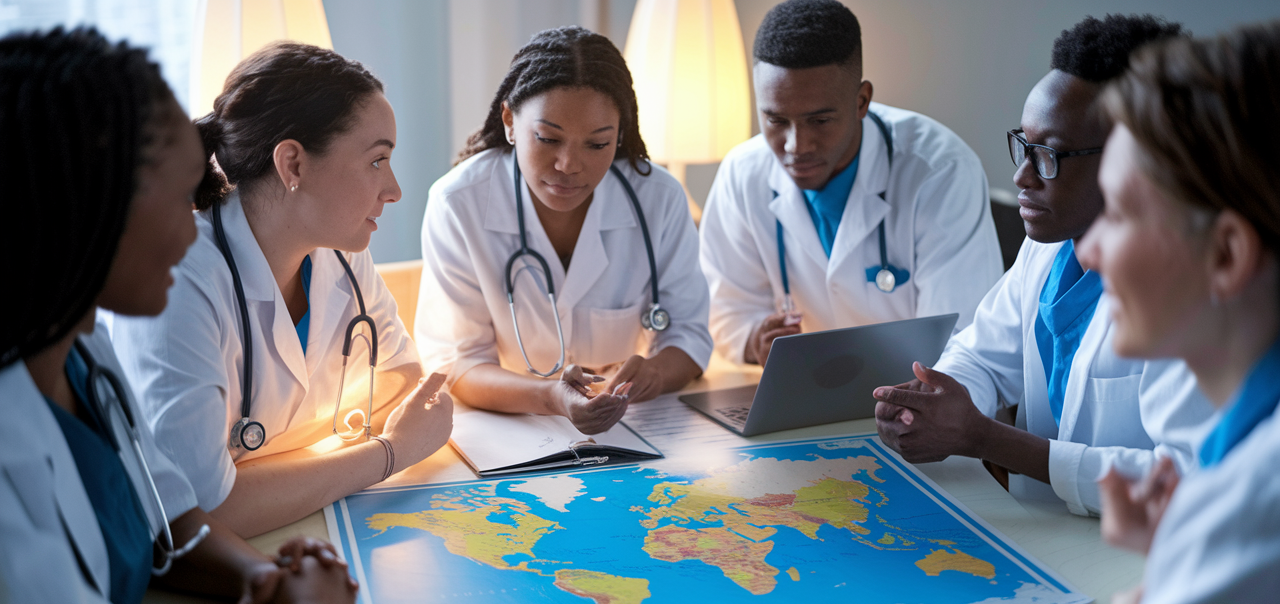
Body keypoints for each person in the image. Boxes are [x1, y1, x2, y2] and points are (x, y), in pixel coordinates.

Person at [0, 27, 359, 604]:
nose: (195, 226)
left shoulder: (82, 355)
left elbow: (168, 515)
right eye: (183, 197)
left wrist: (262, 575)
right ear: (90, 206)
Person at [1020, 21, 1280, 604]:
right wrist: (1175, 560)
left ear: (1227, 255)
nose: (1089, 252)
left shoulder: (1257, 510)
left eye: (1122, 215)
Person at [874, 15, 1214, 517]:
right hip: (1048, 534)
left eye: (1049, 156)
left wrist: (985, 438)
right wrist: (930, 403)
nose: (1021, 176)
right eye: (1024, 146)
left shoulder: (1199, 287)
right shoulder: (1053, 243)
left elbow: (1183, 481)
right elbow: (985, 355)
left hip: (1144, 558)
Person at [113, 42, 453, 537]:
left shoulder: (343, 250)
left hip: (299, 530)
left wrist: (256, 464)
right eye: (377, 161)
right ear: (293, 164)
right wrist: (389, 451)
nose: (394, 188)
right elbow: (205, 512)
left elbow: (403, 383)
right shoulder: (179, 278)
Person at [416, 26, 713, 435]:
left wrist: (655, 375)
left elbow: (690, 336)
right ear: (509, 121)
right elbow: (460, 364)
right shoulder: (459, 202)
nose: (569, 165)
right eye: (547, 138)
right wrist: (551, 397)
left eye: (597, 144)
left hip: (634, 429)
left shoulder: (658, 199)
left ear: (619, 134)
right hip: (514, 434)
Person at [699, 0, 1003, 367]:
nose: (796, 145)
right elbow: (725, 311)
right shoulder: (742, 174)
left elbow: (962, 340)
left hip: (918, 405)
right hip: (803, 396)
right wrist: (754, 340)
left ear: (862, 101)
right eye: (776, 120)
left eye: (820, 120)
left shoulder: (940, 171)